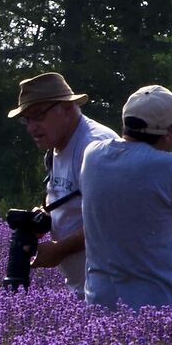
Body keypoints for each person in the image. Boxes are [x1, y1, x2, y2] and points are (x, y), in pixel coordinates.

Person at [79, 85, 172, 308]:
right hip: (158, 307)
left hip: (101, 304)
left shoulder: (92, 155)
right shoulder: (165, 167)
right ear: (169, 133)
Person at [7, 71, 117, 294]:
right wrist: (41, 219)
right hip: (84, 286)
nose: (31, 128)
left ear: (67, 108)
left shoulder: (95, 148)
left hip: (112, 288)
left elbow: (112, 219)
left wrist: (60, 250)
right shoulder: (56, 147)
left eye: (38, 116)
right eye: (26, 119)